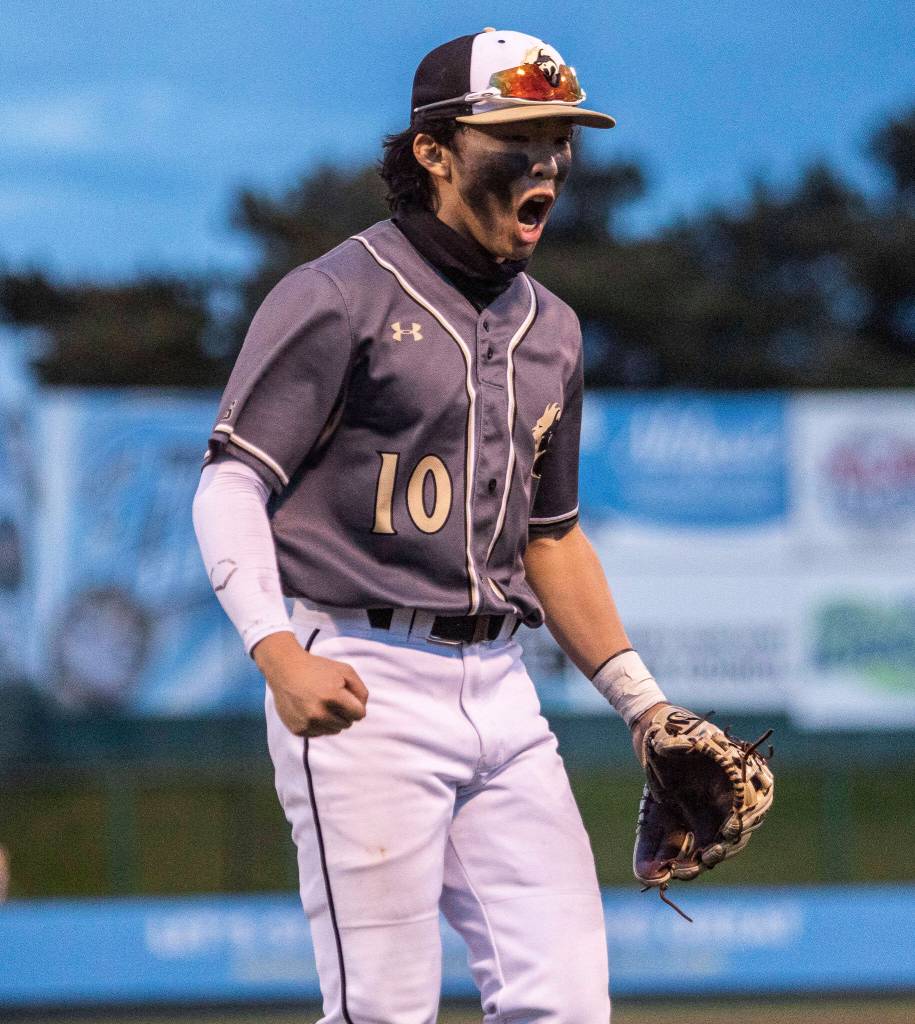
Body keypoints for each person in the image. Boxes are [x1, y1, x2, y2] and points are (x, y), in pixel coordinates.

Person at [194, 28, 670, 1023]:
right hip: (364, 676)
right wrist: (277, 652)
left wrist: (645, 706)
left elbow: (552, 541)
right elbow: (229, 485)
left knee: (569, 1004)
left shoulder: (557, 330)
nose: (547, 160)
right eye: (519, 135)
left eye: (560, 138)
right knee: (382, 1010)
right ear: (434, 152)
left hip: (503, 691)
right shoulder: (337, 296)